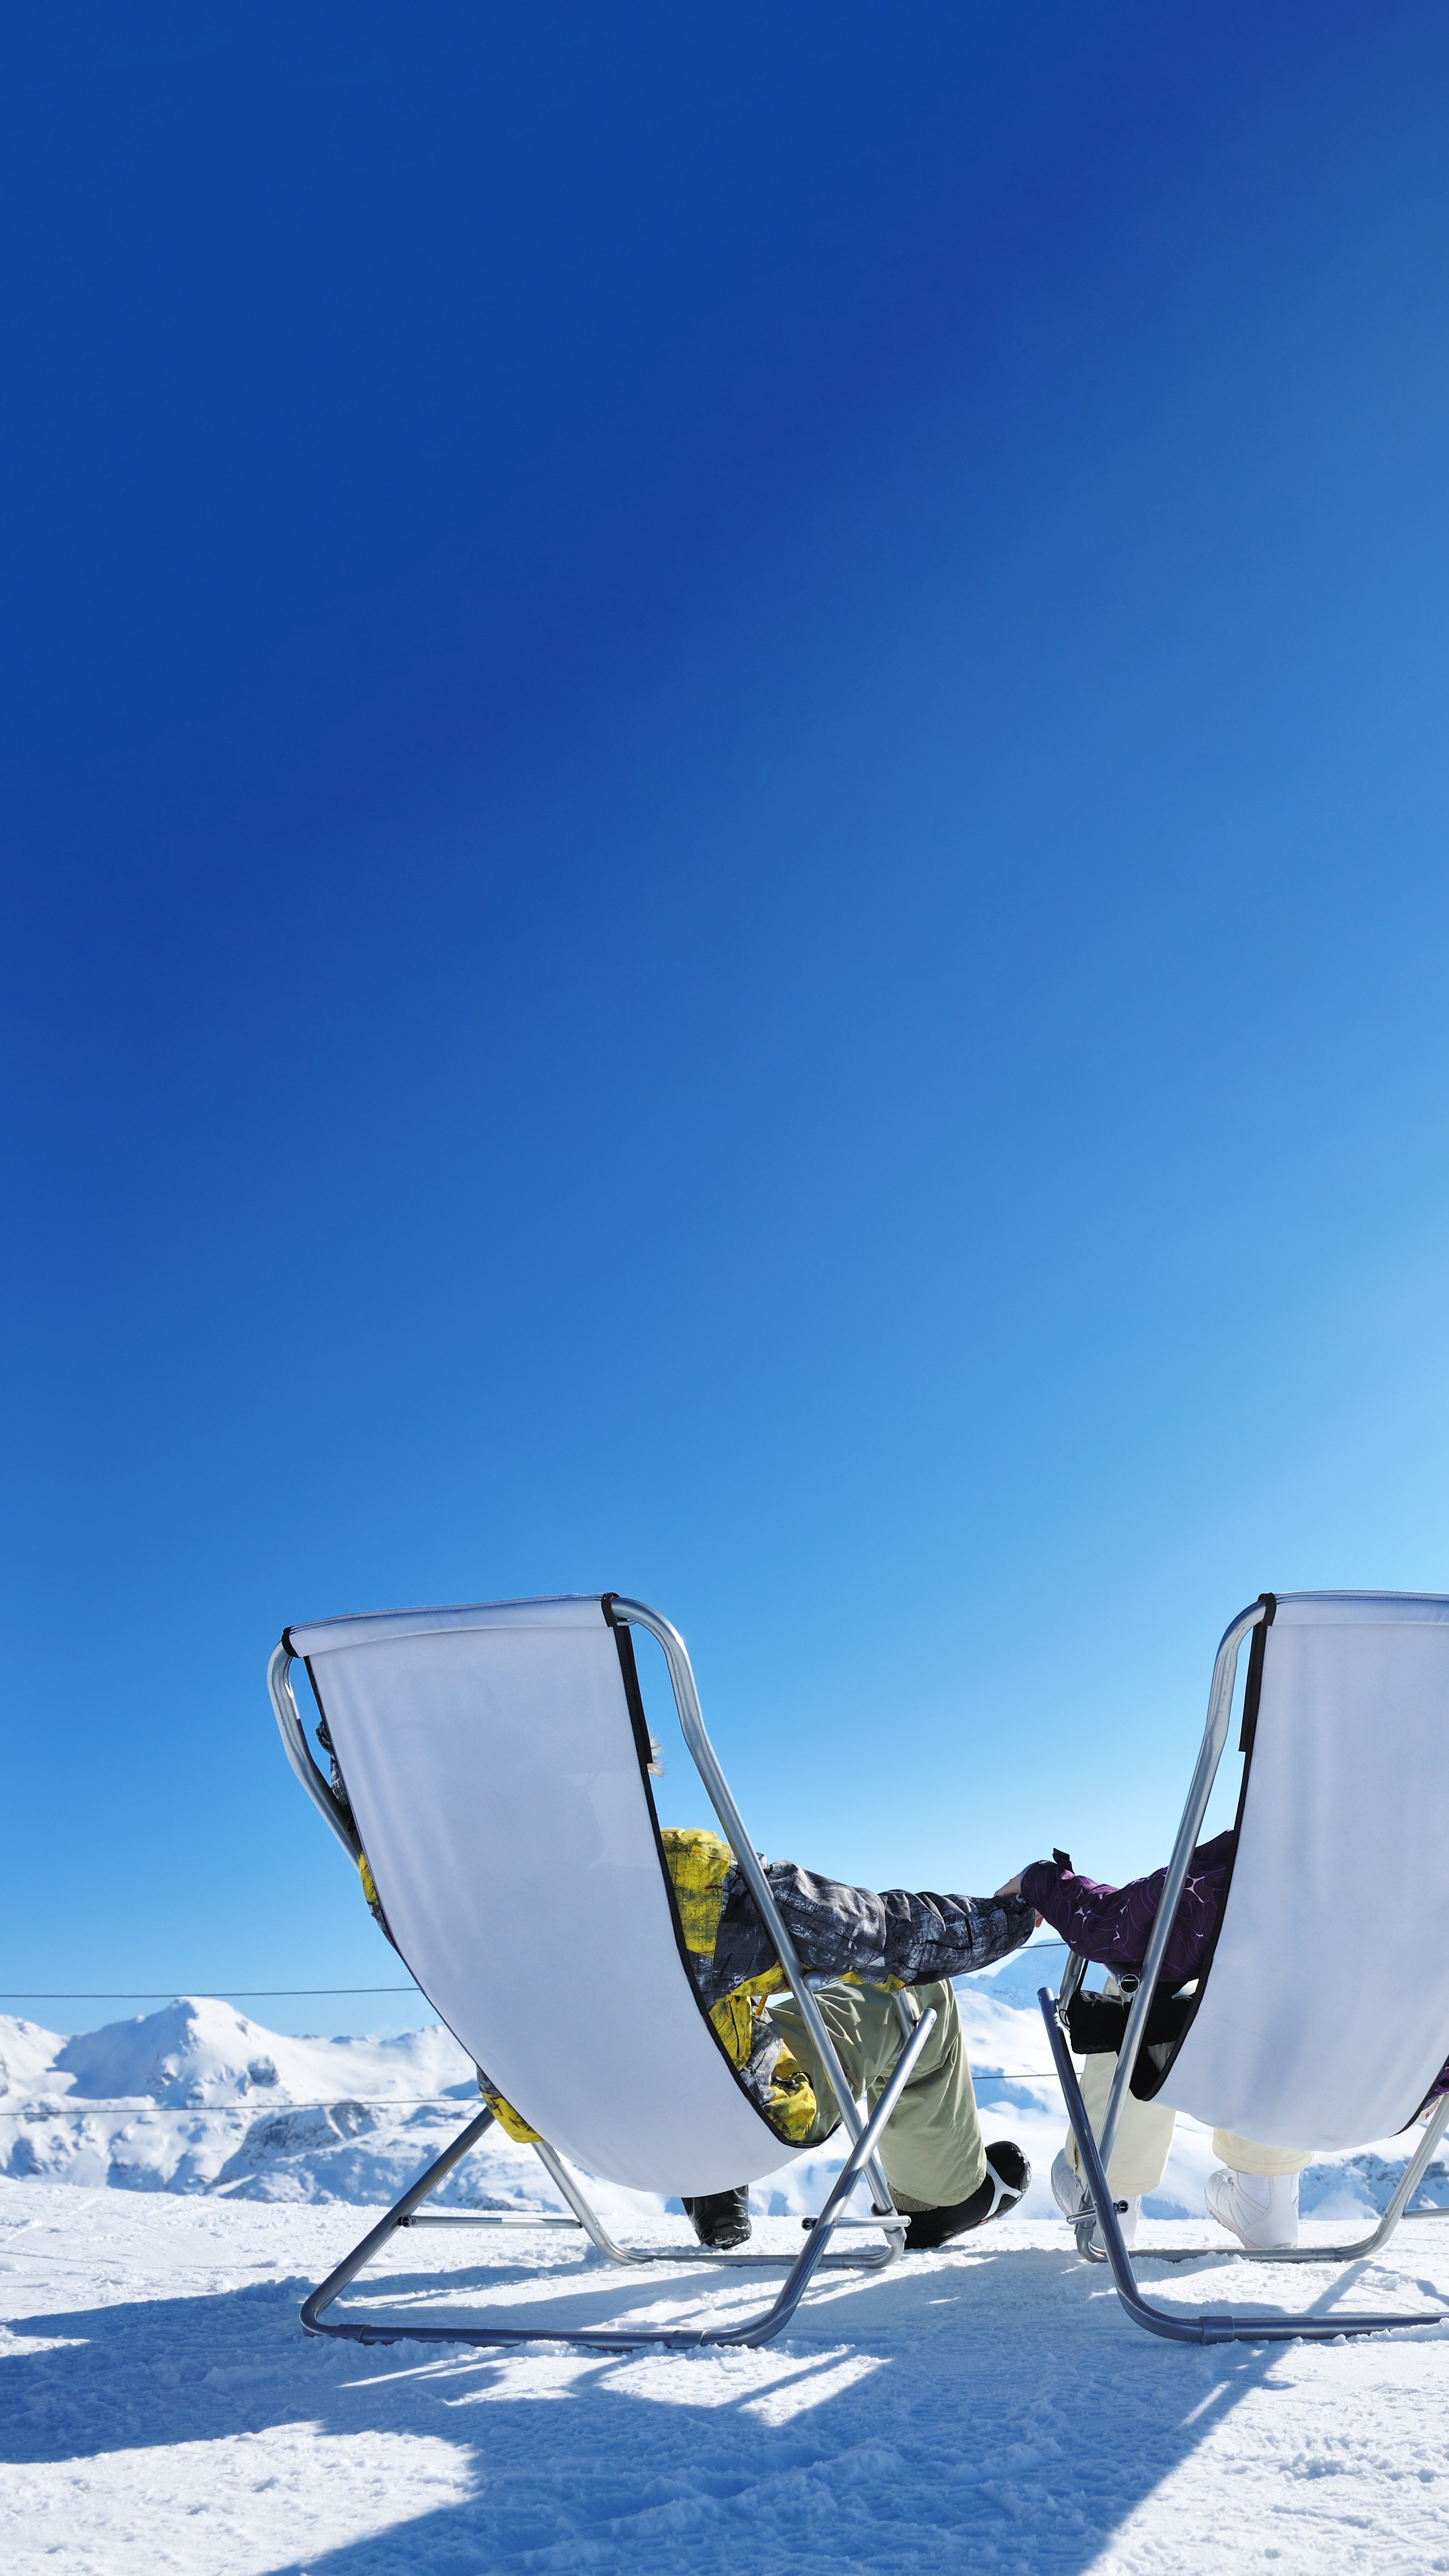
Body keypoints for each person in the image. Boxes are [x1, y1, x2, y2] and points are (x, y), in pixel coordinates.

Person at [996, 1845, 1316, 2251]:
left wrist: (1038, 1879)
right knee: (1291, 1989)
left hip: (1215, 2056)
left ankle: (1110, 2196)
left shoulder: (1274, 1850)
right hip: (1388, 2084)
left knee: (1138, 1988)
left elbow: (1118, 1928)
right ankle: (1269, 2194)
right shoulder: (1402, 1869)